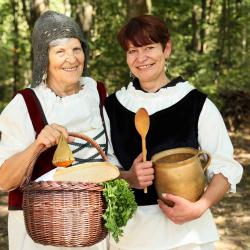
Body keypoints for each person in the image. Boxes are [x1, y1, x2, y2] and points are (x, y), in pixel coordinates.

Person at [105, 15, 243, 250]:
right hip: (130, 236)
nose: (141, 58)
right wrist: (129, 177)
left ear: (166, 49)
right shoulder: (112, 107)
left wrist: (199, 207)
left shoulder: (196, 104)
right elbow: (103, 169)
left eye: (149, 47)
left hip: (187, 236)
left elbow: (225, 166)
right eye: (132, 51)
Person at [0, 10, 115, 250]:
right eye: (60, 51)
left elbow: (108, 162)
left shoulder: (98, 94)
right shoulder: (25, 104)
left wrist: (130, 177)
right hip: (40, 234)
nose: (71, 59)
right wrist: (38, 145)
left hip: (93, 230)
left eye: (76, 49)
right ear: (44, 57)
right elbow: (5, 180)